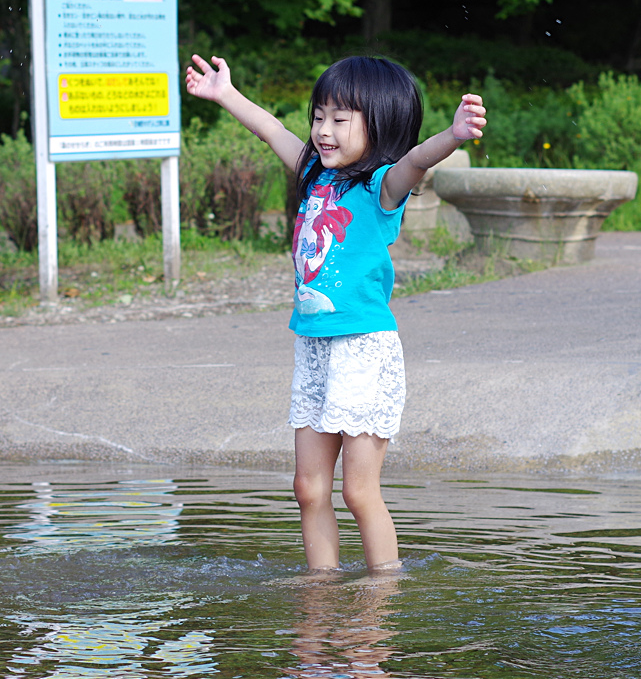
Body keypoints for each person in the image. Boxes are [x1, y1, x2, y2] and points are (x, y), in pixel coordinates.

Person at [184, 52, 486, 572]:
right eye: (319, 116)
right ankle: (320, 593)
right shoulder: (312, 174)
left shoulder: (380, 188)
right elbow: (270, 129)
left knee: (359, 491)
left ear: (378, 124)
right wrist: (225, 94)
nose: (323, 131)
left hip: (364, 350)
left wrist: (454, 134)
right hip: (315, 346)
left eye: (339, 120)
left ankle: (378, 603)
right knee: (307, 488)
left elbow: (416, 161)